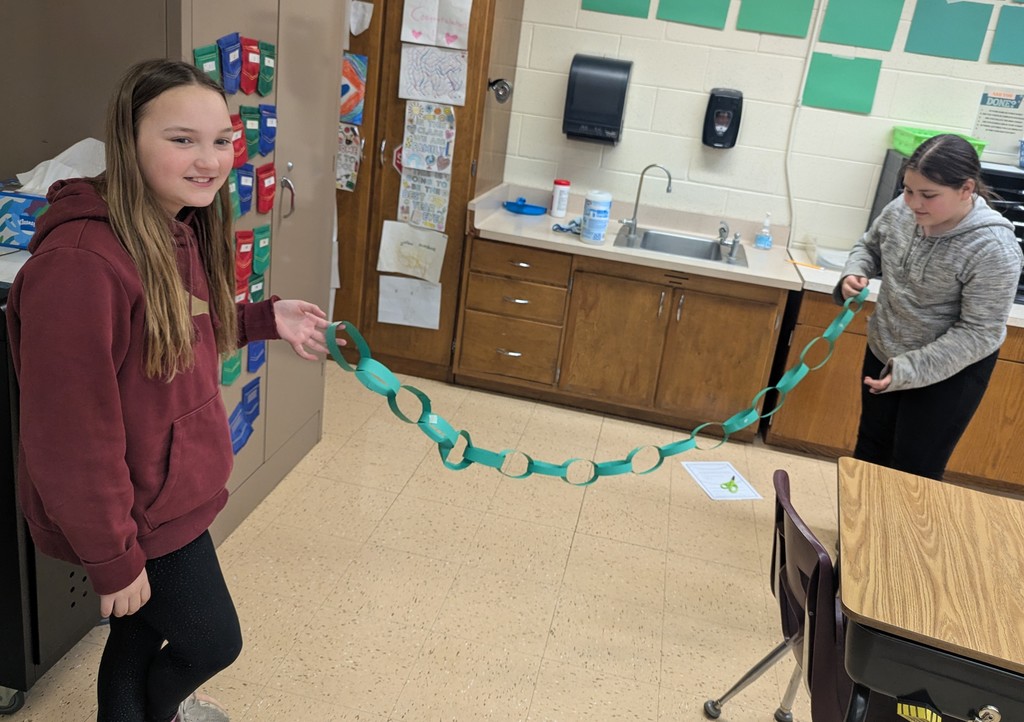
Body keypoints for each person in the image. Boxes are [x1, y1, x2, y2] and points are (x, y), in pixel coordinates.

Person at [7, 59, 337, 722]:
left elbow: (175, 331)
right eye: (182, 139)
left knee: (137, 635)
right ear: (128, 140)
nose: (209, 160)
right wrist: (114, 556)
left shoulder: (172, 226)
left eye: (221, 141)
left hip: (167, 490)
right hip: (137, 509)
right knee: (212, 641)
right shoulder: (79, 265)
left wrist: (262, 318)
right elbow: (69, 439)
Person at [834, 133, 1024, 480]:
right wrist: (855, 271)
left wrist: (909, 369)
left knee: (912, 472)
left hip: (948, 373)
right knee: (869, 453)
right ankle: (859, 519)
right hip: (886, 352)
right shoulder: (902, 209)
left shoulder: (994, 249)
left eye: (928, 195)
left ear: (966, 189)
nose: (913, 203)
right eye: (908, 190)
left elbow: (979, 333)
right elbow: (869, 246)